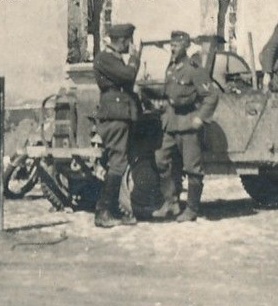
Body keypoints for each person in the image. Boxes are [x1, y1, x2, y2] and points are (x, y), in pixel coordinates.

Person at [154, 30, 222, 223]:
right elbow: (169, 94)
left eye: (176, 45)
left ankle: (192, 209)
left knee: (193, 168)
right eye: (171, 45)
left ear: (185, 46)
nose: (173, 48)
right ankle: (171, 201)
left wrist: (201, 117)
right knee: (161, 159)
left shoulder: (194, 69)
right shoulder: (171, 68)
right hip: (171, 123)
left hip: (188, 124)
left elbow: (211, 96)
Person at [93, 23, 143, 228]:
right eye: (128, 41)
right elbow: (128, 75)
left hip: (121, 115)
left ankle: (112, 210)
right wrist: (134, 58)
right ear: (122, 41)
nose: (129, 45)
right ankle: (103, 211)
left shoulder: (112, 59)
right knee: (118, 163)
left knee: (118, 162)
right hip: (115, 117)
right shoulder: (105, 58)